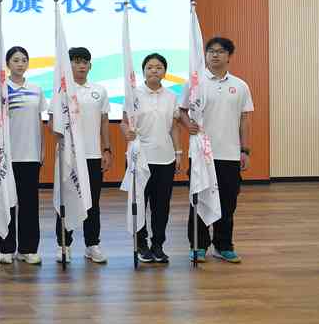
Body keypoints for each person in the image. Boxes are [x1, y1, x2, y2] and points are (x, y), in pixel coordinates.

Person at [180, 36, 254, 263]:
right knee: (199, 200)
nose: (215, 55)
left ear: (229, 56)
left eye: (220, 51)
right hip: (201, 154)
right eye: (211, 50)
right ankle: (198, 245)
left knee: (228, 202)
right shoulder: (195, 83)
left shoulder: (240, 86)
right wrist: (188, 124)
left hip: (230, 154)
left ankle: (223, 245)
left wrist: (245, 150)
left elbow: (245, 120)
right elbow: (181, 111)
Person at [121, 53, 184, 264]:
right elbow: (124, 123)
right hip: (139, 158)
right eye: (149, 67)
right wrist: (127, 132)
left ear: (165, 72)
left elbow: (174, 127)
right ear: (143, 71)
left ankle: (158, 245)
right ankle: (141, 244)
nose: (154, 70)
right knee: (140, 203)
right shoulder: (133, 94)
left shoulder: (171, 96)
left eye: (158, 67)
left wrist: (178, 152)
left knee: (161, 205)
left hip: (165, 158)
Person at [51, 47, 112, 264]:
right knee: (66, 200)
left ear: (90, 65)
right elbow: (52, 124)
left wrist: (107, 149)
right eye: (76, 62)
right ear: (68, 65)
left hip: (93, 155)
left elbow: (104, 121)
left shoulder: (99, 91)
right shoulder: (61, 91)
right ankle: (64, 244)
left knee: (92, 202)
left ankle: (92, 244)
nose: (81, 66)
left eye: (85, 62)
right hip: (69, 156)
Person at [0, 46, 49, 265]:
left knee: (29, 204)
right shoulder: (1, 89)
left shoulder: (36, 89)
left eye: (24, 60)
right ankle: (6, 247)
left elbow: (39, 121)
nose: (20, 64)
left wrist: (42, 149)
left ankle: (28, 249)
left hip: (30, 154)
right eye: (16, 60)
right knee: (7, 202)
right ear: (8, 64)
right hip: (9, 156)